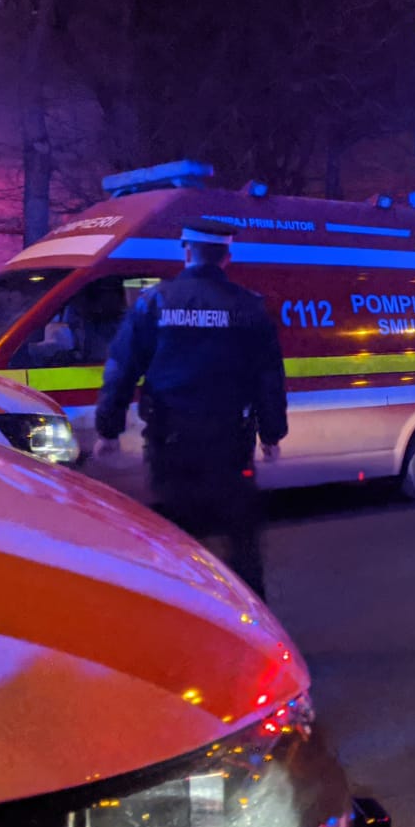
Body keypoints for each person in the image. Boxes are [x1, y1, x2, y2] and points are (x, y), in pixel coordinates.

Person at [93, 219, 288, 599]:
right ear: (227, 257)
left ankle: (186, 610)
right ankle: (251, 614)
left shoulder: (154, 302)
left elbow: (121, 368)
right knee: (241, 534)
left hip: (171, 439)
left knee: (179, 535)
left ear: (186, 252)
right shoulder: (248, 306)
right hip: (230, 440)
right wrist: (272, 434)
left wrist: (108, 429)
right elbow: (268, 377)